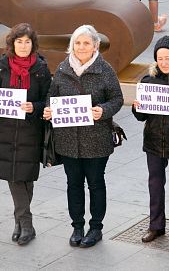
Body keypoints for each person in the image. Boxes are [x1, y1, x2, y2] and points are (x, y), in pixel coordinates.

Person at [43, 25, 124, 248]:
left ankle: (96, 227)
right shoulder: (62, 69)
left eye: (86, 43)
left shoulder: (105, 70)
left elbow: (117, 99)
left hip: (96, 139)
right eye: (77, 43)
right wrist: (49, 110)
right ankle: (77, 226)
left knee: (96, 183)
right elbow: (52, 96)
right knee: (74, 184)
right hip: (68, 140)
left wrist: (103, 110)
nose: (81, 47)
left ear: (95, 46)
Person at [0, 23, 51, 246]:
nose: (23, 46)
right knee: (14, 177)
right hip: (5, 130)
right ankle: (25, 222)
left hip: (30, 131)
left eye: (27, 42)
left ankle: (20, 222)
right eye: (19, 41)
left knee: (26, 176)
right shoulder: (1, 67)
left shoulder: (41, 69)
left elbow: (48, 99)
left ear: (33, 44)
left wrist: (35, 107)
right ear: (12, 44)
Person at [133, 36, 169, 245]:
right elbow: (141, 117)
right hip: (154, 141)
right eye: (160, 58)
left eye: (168, 58)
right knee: (155, 185)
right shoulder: (148, 80)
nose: (164, 62)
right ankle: (155, 225)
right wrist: (137, 107)